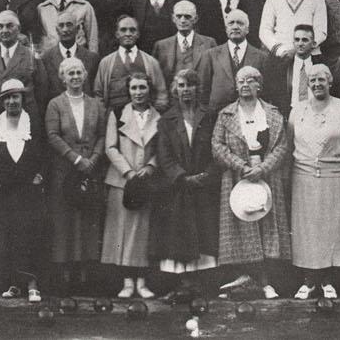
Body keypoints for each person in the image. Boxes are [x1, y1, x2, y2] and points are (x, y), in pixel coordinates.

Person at [213, 66, 293, 299]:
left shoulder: (273, 114)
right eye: (241, 81)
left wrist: (262, 168)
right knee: (242, 226)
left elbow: (282, 146)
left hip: (266, 177)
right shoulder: (226, 115)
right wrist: (242, 166)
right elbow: (217, 146)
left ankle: (265, 282)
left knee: (265, 225)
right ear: (236, 86)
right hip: (237, 177)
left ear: (259, 85)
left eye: (250, 80)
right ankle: (247, 279)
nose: (245, 85)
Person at [283, 64, 340, 300]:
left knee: (331, 229)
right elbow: (288, 144)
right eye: (313, 80)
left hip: (335, 175)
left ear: (330, 82)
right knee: (306, 230)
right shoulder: (298, 109)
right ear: (307, 84)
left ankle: (327, 280)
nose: (317, 84)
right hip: (302, 176)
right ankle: (308, 281)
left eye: (322, 80)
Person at [149, 69, 221, 302]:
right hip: (178, 188)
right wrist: (181, 177)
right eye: (181, 85)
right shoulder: (167, 120)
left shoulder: (209, 115)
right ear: (175, 89)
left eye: (190, 85)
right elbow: (164, 155)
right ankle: (181, 283)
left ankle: (200, 284)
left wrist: (205, 176)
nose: (186, 90)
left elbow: (217, 149)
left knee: (203, 231)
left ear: (197, 88)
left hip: (204, 185)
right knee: (179, 234)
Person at [44, 57, 106, 290]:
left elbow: (102, 134)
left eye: (79, 72)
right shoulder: (55, 104)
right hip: (65, 171)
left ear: (85, 75)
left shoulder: (95, 104)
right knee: (65, 221)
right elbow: (52, 135)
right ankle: (65, 276)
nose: (75, 77)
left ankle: (85, 276)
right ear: (62, 78)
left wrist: (94, 159)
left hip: (90, 170)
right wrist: (76, 158)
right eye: (70, 73)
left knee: (86, 221)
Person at [0, 79, 50, 302]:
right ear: (2, 101)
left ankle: (33, 284)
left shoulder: (33, 122)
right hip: (4, 190)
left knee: (29, 235)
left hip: (28, 190)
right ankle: (14, 284)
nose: (12, 101)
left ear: (23, 99)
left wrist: (41, 173)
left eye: (16, 97)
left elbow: (45, 150)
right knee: (8, 236)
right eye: (8, 98)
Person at [103, 73, 163, 298]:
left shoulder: (159, 116)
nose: (138, 92)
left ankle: (142, 282)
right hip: (122, 181)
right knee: (122, 234)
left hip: (146, 181)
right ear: (128, 90)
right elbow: (110, 146)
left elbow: (162, 148)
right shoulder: (118, 114)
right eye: (134, 88)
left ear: (149, 90)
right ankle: (127, 282)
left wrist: (150, 167)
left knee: (143, 234)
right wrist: (127, 171)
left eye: (142, 88)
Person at [197, 10, 274, 113]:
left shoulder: (262, 57)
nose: (235, 27)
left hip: (251, 115)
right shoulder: (210, 55)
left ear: (247, 29)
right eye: (231, 23)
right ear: (226, 29)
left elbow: (267, 91)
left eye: (240, 23)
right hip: (217, 115)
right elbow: (203, 90)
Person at [93, 16, 167, 110]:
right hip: (113, 119)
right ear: (117, 34)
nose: (128, 34)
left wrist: (153, 117)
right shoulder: (105, 63)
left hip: (144, 119)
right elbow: (98, 94)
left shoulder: (151, 62)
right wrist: (105, 118)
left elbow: (161, 94)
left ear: (138, 34)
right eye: (123, 30)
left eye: (132, 30)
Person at [0, 11, 40, 118]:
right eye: (0, 27)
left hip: (24, 122)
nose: (4, 30)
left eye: (9, 26)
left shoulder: (32, 57)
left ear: (19, 29)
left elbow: (41, 91)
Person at [152, 1, 216, 88]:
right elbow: (156, 78)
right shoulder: (161, 46)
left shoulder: (209, 43)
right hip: (172, 99)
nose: (182, 20)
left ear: (195, 19)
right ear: (173, 18)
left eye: (187, 17)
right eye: (179, 16)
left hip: (200, 98)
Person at [36, 0, 100, 53]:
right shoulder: (42, 9)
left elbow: (93, 40)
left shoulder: (85, 7)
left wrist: (92, 61)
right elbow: (38, 40)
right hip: (51, 60)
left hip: (77, 59)